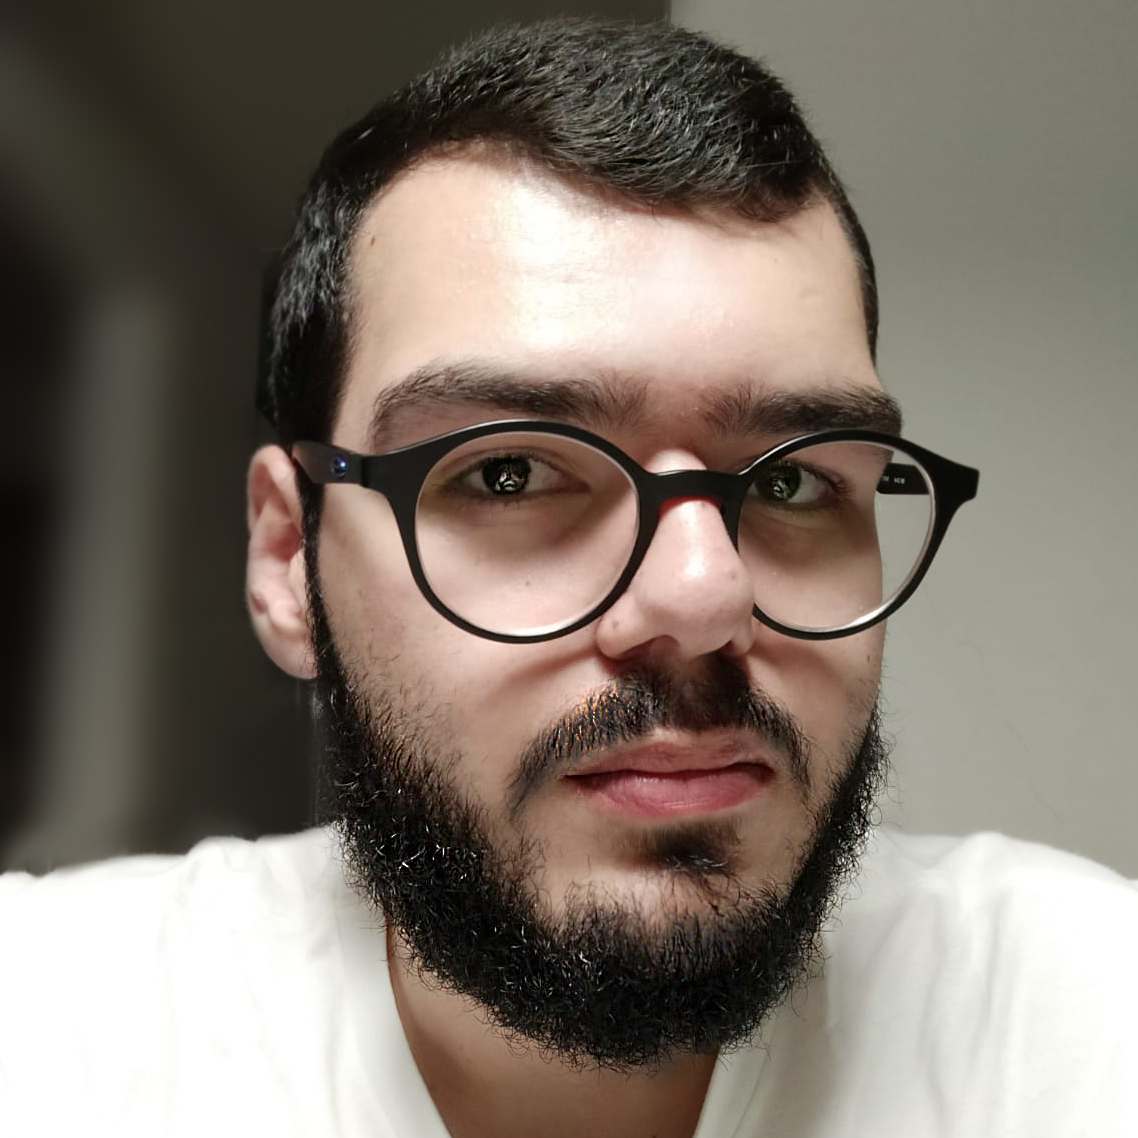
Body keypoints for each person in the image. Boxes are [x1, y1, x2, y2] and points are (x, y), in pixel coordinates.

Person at [2, 18, 1136, 1138]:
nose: (703, 597)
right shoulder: (47, 1032)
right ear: (290, 558)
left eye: (793, 483)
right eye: (507, 474)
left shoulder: (1084, 1029)